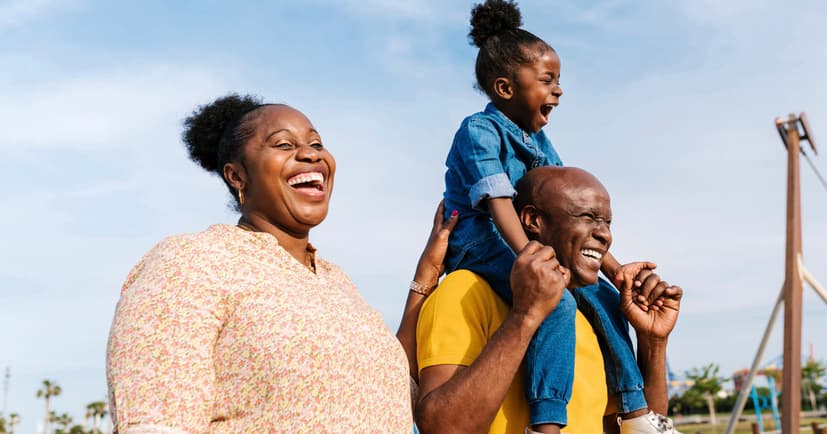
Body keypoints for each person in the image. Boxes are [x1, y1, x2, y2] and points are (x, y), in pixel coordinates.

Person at [106, 94, 458, 432]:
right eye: (284, 145)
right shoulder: (192, 262)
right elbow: (157, 420)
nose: (310, 155)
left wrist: (426, 274)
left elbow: (395, 392)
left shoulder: (339, 283)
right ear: (237, 176)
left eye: (317, 144)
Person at [442, 1, 655, 432]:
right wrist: (534, 262)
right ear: (505, 88)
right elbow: (497, 200)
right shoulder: (478, 130)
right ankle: (546, 424)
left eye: (559, 81)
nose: (558, 90)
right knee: (554, 300)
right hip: (479, 241)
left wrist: (616, 271)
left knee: (607, 300)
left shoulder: (541, 143)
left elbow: (571, 216)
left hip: (529, 245)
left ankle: (635, 413)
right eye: (547, 80)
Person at [417, 166, 683, 434]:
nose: (605, 235)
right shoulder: (467, 290)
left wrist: (653, 342)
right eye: (587, 217)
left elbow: (630, 429)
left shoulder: (597, 314)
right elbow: (443, 428)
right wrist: (525, 315)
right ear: (533, 220)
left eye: (607, 222)